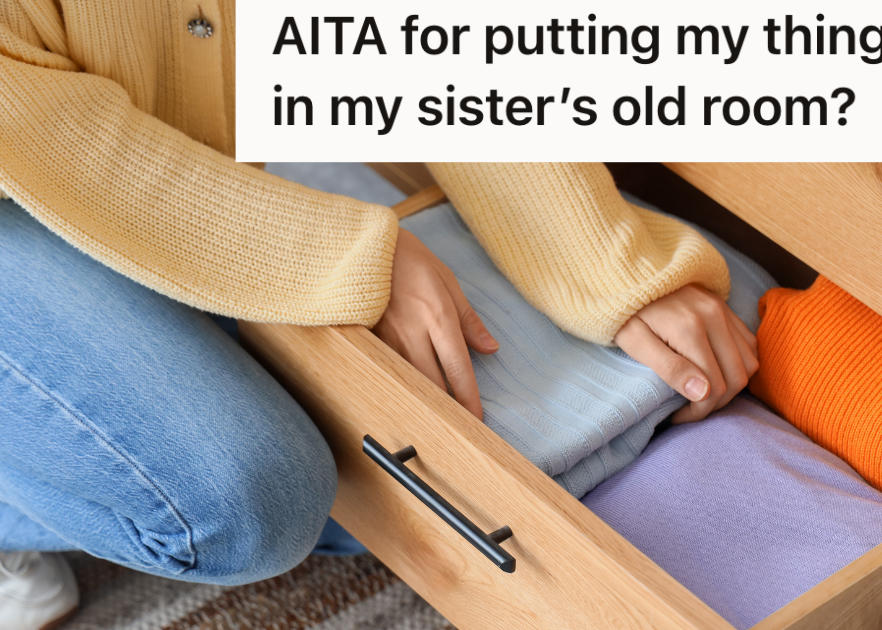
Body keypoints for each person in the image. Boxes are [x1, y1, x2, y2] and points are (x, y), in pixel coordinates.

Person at [0, 3, 758, 628]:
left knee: (355, 456)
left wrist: (603, 265)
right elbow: (47, 132)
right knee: (243, 505)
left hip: (123, 143)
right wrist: (349, 258)